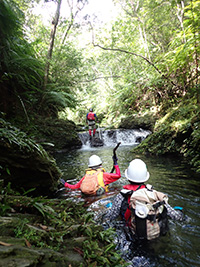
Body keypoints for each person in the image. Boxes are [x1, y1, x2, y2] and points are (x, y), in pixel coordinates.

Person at [103, 159, 185, 241]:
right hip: (154, 236)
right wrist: (180, 213)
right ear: (145, 178)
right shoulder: (154, 194)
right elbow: (176, 217)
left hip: (132, 236)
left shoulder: (122, 196)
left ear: (128, 178)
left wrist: (106, 210)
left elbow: (110, 217)